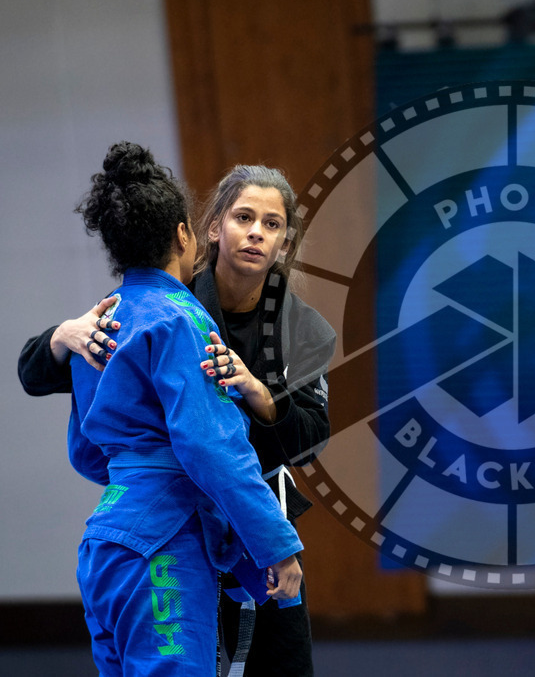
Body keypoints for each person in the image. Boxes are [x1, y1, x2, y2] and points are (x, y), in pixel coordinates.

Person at [19, 163, 336, 676]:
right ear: (197, 231)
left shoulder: (113, 315)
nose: (256, 232)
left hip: (110, 534)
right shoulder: (178, 318)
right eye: (244, 217)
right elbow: (211, 448)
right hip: (174, 535)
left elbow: (86, 450)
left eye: (272, 223)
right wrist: (61, 335)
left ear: (286, 241)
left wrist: (258, 393)